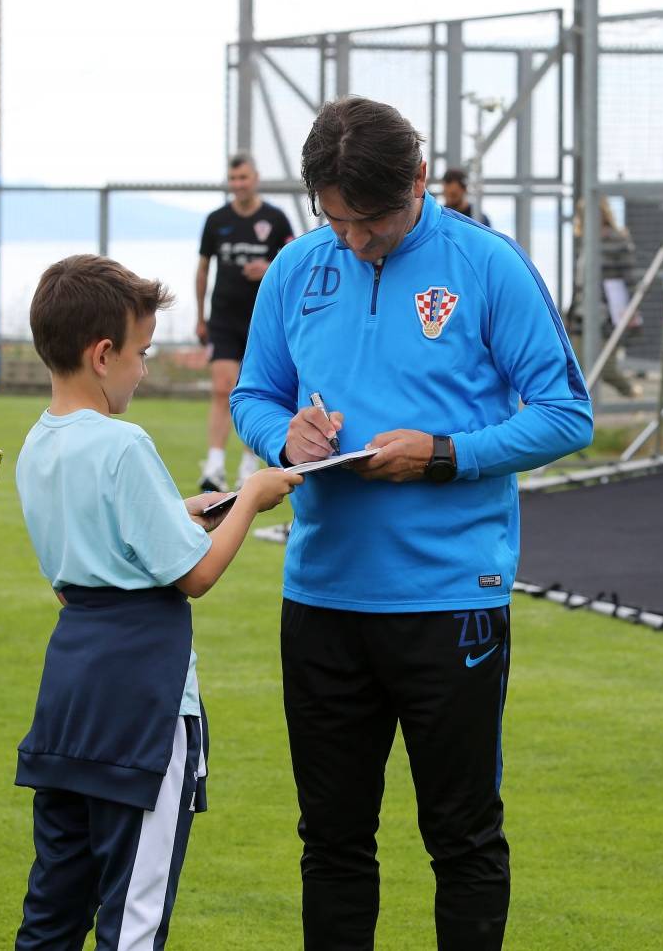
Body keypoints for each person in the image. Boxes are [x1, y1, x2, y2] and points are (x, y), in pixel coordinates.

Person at [232, 96, 593, 950]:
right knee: (332, 843)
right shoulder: (296, 269)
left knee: (462, 839)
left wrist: (443, 453)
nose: (353, 239)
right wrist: (281, 433)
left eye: (372, 222)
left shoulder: (488, 266)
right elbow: (254, 393)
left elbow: (565, 414)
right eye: (336, 219)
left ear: (422, 182)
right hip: (322, 599)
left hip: (449, 602)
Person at [12, 254, 298, 950]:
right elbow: (193, 575)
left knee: (51, 912)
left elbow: (90, 558)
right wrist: (253, 497)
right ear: (103, 354)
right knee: (131, 924)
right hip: (145, 702)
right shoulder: (123, 442)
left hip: (71, 698)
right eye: (141, 353)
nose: (143, 368)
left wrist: (189, 510)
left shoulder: (36, 446)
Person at [195, 152, 296, 492]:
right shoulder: (216, 220)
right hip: (223, 317)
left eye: (244, 178)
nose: (238, 184)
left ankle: (250, 464)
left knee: (256, 392)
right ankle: (214, 466)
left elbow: (292, 264)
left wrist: (267, 268)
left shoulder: (276, 219)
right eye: (233, 179)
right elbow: (203, 269)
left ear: (255, 178)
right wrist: (199, 316)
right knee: (222, 388)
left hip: (260, 320)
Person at [566, 197, 641, 397]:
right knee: (575, 365)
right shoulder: (584, 242)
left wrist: (633, 308)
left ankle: (632, 394)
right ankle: (581, 409)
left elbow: (630, 276)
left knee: (606, 367)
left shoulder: (617, 240)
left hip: (607, 313)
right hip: (582, 313)